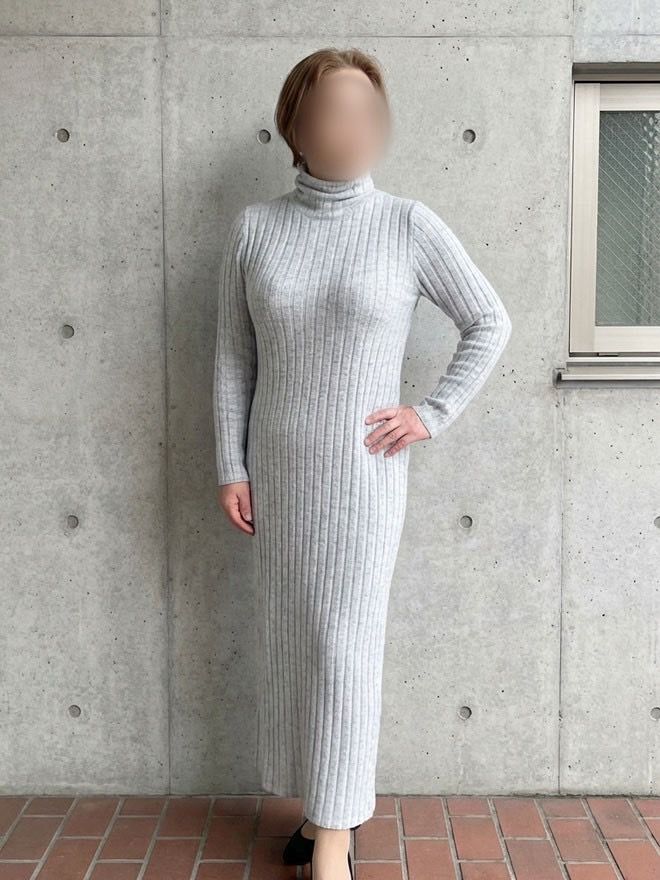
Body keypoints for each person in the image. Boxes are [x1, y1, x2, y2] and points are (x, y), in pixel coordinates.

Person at [213, 47, 512, 880]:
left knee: (345, 647)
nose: (350, 127)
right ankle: (321, 809)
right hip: (279, 475)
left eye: (364, 112)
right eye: (331, 111)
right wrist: (230, 465)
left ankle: (335, 841)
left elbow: (489, 321)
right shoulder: (255, 228)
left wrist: (430, 413)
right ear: (295, 127)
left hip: (363, 478)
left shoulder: (407, 224)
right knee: (297, 645)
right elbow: (233, 359)